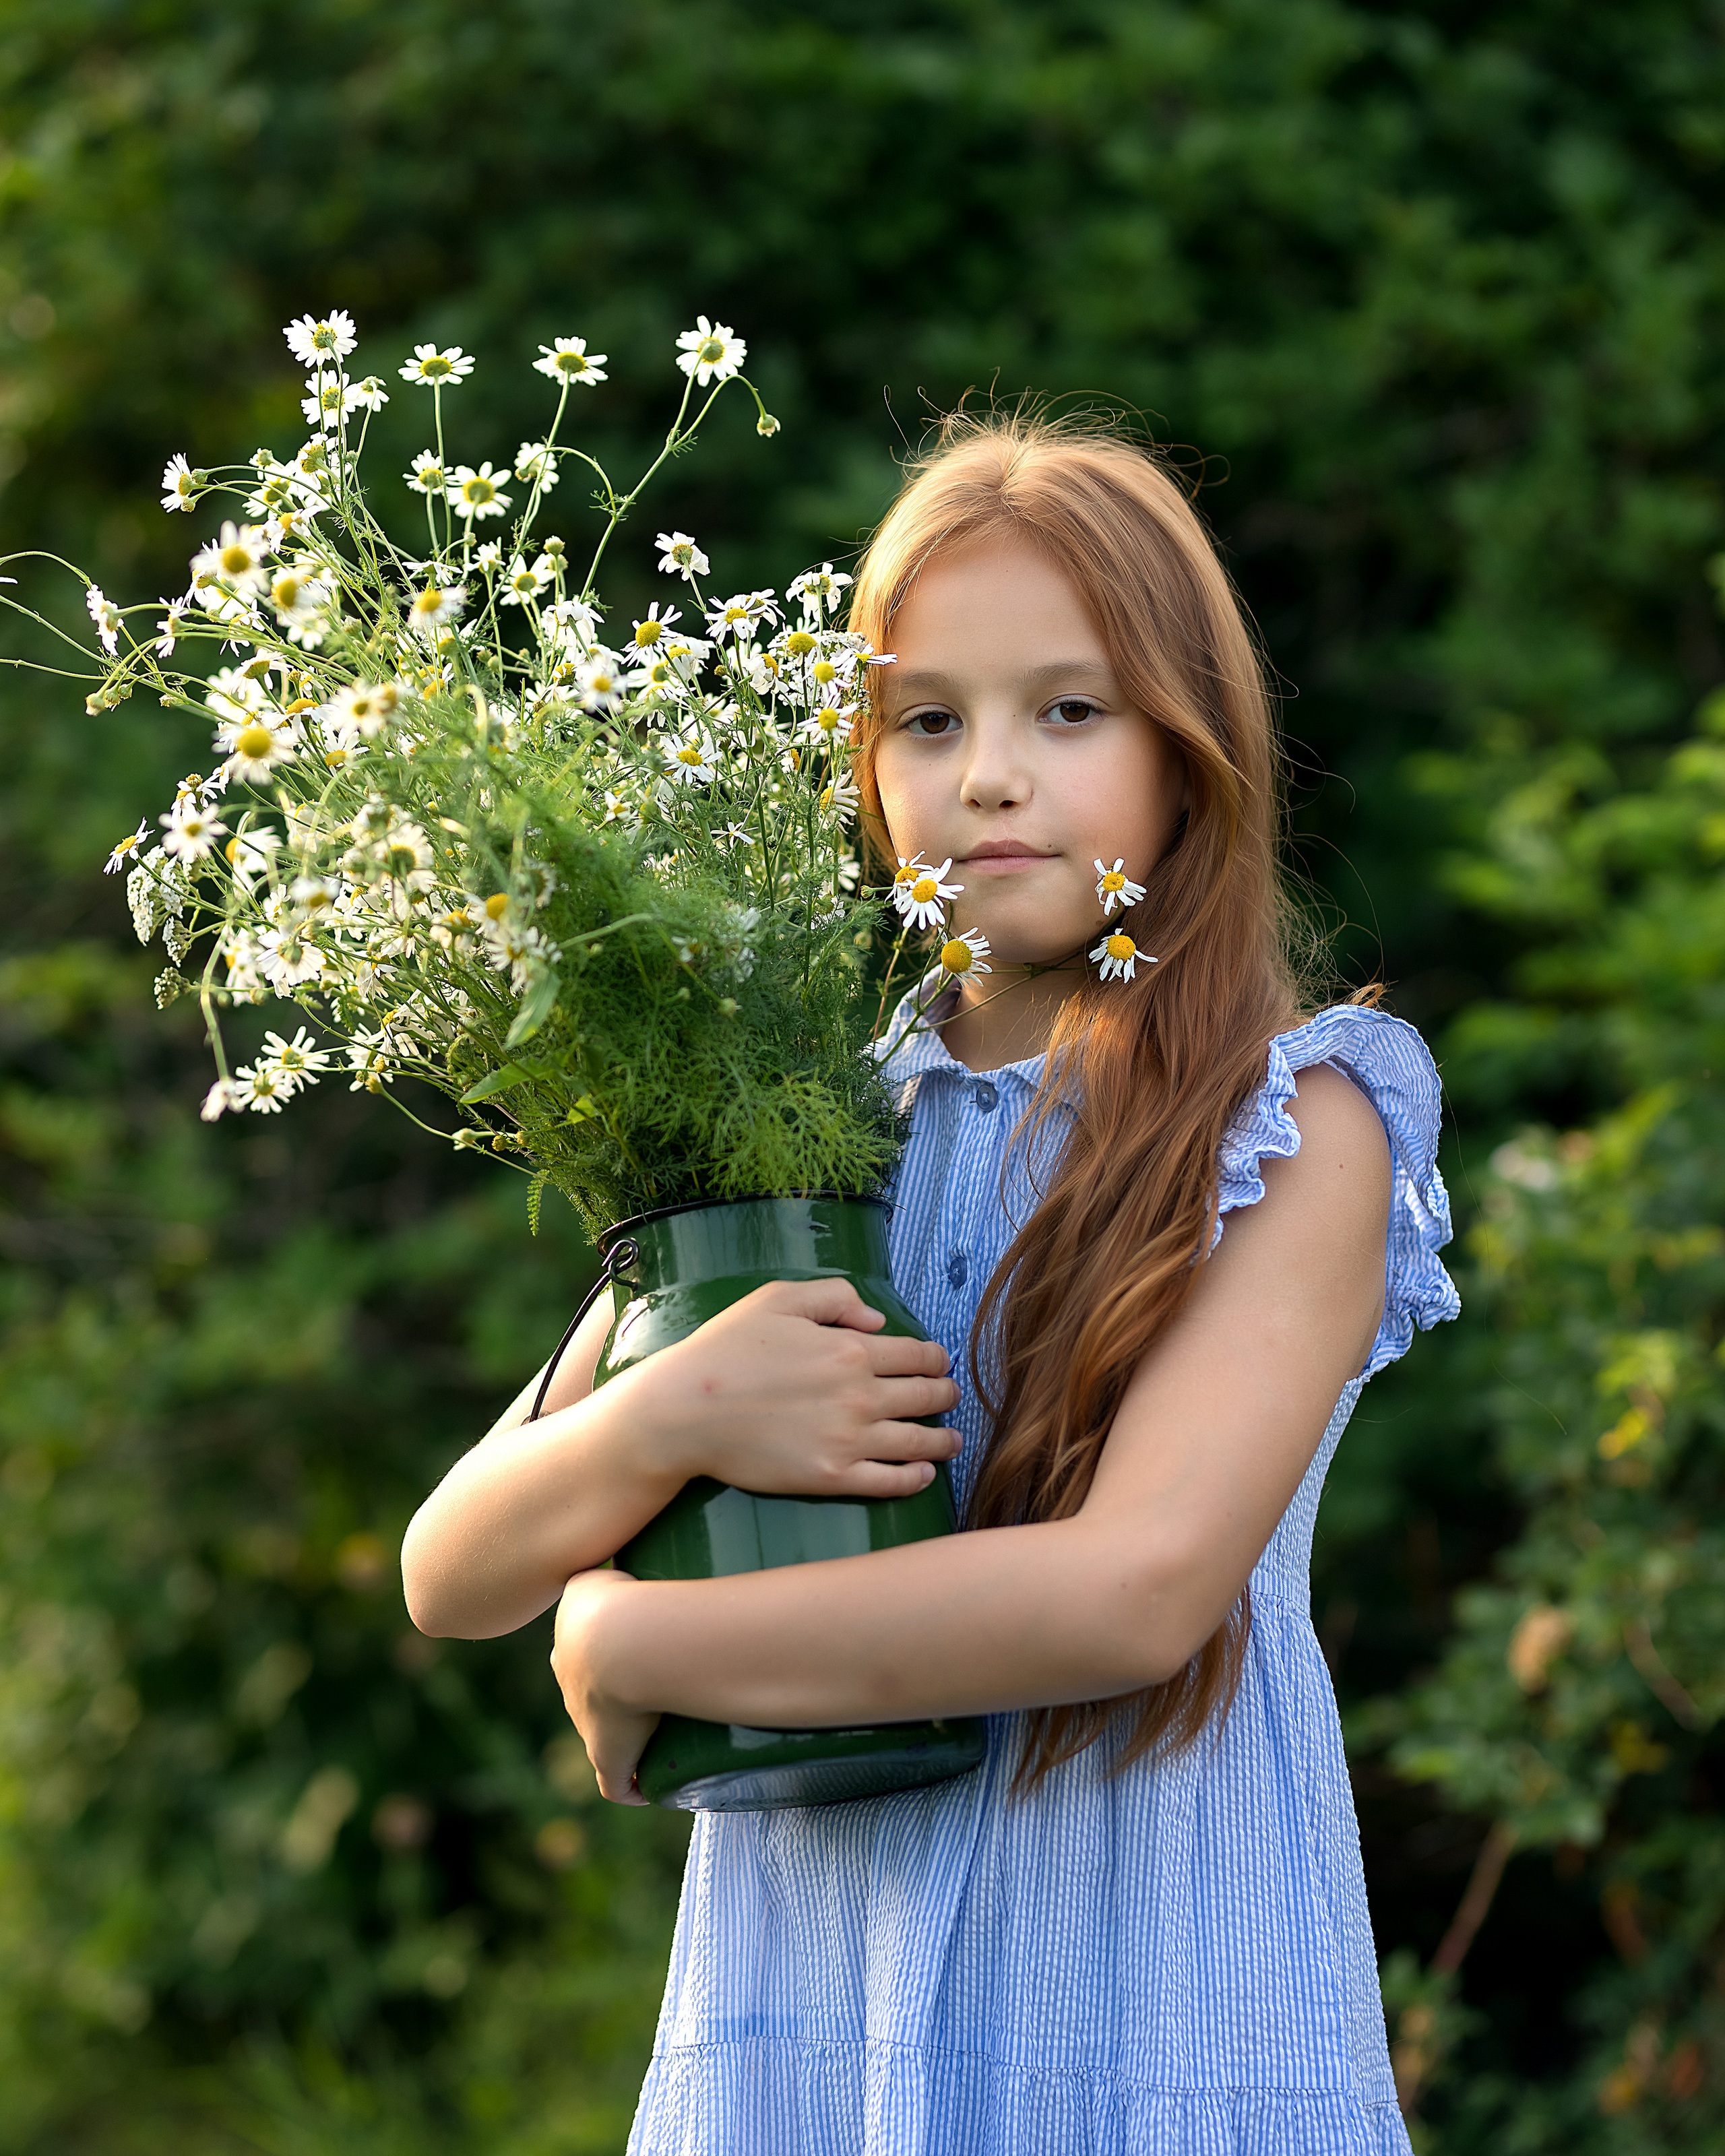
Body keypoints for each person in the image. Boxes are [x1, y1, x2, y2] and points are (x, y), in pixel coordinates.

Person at [401, 414, 1460, 2155]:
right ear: (866, 765)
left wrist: (643, 1632)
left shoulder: (1291, 1122)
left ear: (1192, 748)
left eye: (1070, 709)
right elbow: (456, 1568)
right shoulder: (804, 1126)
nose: (989, 775)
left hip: (1152, 2008)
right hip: (813, 2029)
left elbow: (1134, 1597)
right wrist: (671, 1411)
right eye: (928, 720)